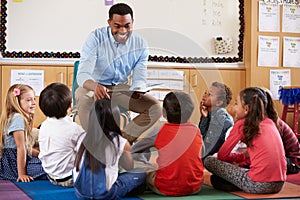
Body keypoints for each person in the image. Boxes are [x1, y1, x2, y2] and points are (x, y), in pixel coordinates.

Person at [75, 3, 161, 143]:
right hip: (96, 88)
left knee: (155, 108)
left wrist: (138, 87)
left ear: (132, 22)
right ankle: (96, 144)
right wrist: (95, 86)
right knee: (83, 99)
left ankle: (121, 144)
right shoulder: (95, 38)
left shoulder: (140, 44)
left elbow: (139, 75)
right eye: (117, 26)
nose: (122, 31)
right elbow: (83, 75)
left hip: (120, 89)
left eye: (127, 26)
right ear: (109, 23)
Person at [204, 87, 287, 194]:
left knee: (209, 160)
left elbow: (222, 155)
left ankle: (223, 183)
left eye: (236, 104)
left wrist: (240, 157)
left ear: (246, 109)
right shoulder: (270, 122)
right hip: (279, 184)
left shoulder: (242, 124)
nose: (234, 108)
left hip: (256, 184)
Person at [73, 98, 146, 199]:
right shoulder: (120, 141)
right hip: (105, 195)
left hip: (80, 193)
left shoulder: (81, 137)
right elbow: (129, 167)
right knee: (140, 173)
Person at [146, 91, 204, 196]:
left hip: (165, 188)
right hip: (195, 187)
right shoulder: (196, 130)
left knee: (146, 172)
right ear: (190, 112)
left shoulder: (159, 130)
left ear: (163, 113)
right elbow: (202, 154)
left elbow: (134, 150)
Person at [38, 82, 86, 187]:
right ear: (70, 105)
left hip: (51, 176)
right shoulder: (75, 130)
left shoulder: (44, 125)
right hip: (70, 178)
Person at [0, 84, 47, 182]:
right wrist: (22, 174)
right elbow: (20, 147)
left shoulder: (19, 117)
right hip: (14, 165)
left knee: (49, 163)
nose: (34, 103)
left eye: (34, 99)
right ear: (17, 102)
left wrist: (42, 155)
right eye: (29, 100)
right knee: (49, 168)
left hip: (19, 160)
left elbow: (26, 148)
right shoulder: (18, 118)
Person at [198, 81, 233, 160]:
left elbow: (207, 148)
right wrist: (204, 118)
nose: (205, 95)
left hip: (214, 160)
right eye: (205, 92)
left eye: (210, 94)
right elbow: (201, 138)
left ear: (219, 102)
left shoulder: (222, 119)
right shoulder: (209, 114)